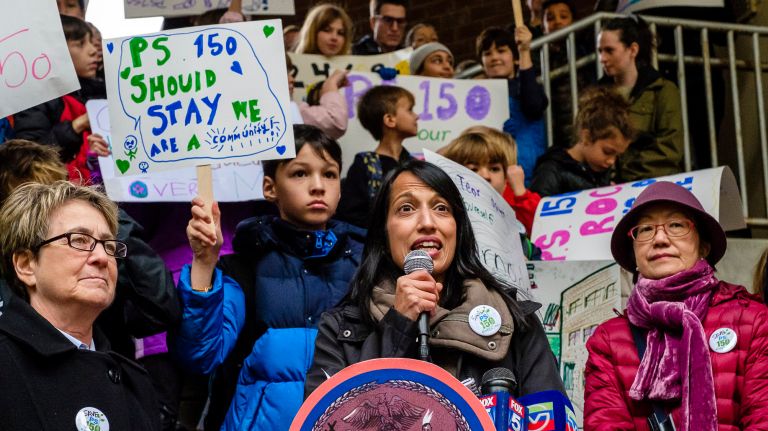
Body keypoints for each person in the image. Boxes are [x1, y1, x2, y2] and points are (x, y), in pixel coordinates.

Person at [305, 160, 564, 397]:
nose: (428, 223)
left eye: (442, 208)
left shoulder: (515, 321)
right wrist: (398, 325)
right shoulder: (338, 331)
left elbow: (551, 419)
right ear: (383, 234)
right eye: (406, 208)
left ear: (458, 229)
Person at [174, 125, 365, 430]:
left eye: (329, 174)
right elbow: (200, 356)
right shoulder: (243, 266)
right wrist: (204, 262)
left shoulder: (366, 267)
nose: (318, 186)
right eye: (299, 173)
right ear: (269, 188)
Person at [0, 139, 182, 429]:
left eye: (109, 244)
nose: (101, 257)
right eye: (79, 240)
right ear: (26, 264)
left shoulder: (136, 382)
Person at [584, 181, 768, 429]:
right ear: (634, 253)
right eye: (646, 229)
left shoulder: (752, 319)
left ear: (703, 245)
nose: (660, 238)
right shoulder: (608, 339)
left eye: (676, 225)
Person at [13, 15, 109, 182]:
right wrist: (77, 125)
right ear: (57, 52)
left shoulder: (98, 91)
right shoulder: (35, 97)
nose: (93, 50)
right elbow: (30, 160)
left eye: (91, 43)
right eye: (80, 44)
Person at [597, 16, 684, 182]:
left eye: (609, 50)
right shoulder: (596, 95)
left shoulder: (662, 90)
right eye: (600, 51)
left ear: (633, 50)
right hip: (611, 190)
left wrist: (626, 175)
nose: (602, 58)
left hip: (653, 184)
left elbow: (669, 147)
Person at [336, 85, 417, 228]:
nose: (417, 116)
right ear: (390, 120)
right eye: (410, 110)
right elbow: (350, 215)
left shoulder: (414, 165)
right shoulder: (365, 164)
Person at [441, 126, 541, 242]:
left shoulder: (511, 199)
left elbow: (540, 231)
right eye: (473, 169)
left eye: (494, 168)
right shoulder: (446, 212)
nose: (485, 176)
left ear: (505, 177)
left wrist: (521, 193)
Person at [477, 26, 548, 187]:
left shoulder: (526, 87)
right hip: (492, 180)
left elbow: (534, 105)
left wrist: (524, 51)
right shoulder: (475, 96)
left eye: (501, 51)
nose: (494, 57)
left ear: (515, 58)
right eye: (487, 53)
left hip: (530, 177)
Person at [531, 86, 633, 196]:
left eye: (617, 155)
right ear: (586, 137)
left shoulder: (602, 170)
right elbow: (537, 209)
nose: (611, 161)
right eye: (607, 152)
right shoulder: (550, 171)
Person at [541, 0, 596, 148]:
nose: (557, 22)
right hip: (557, 130)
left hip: (586, 122)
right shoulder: (541, 56)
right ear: (543, 28)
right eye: (550, 18)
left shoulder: (584, 46)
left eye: (563, 16)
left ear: (574, 21)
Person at [286, 55, 349, 140]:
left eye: (290, 73)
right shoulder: (288, 111)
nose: (292, 79)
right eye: (284, 73)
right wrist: (330, 84)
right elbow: (335, 122)